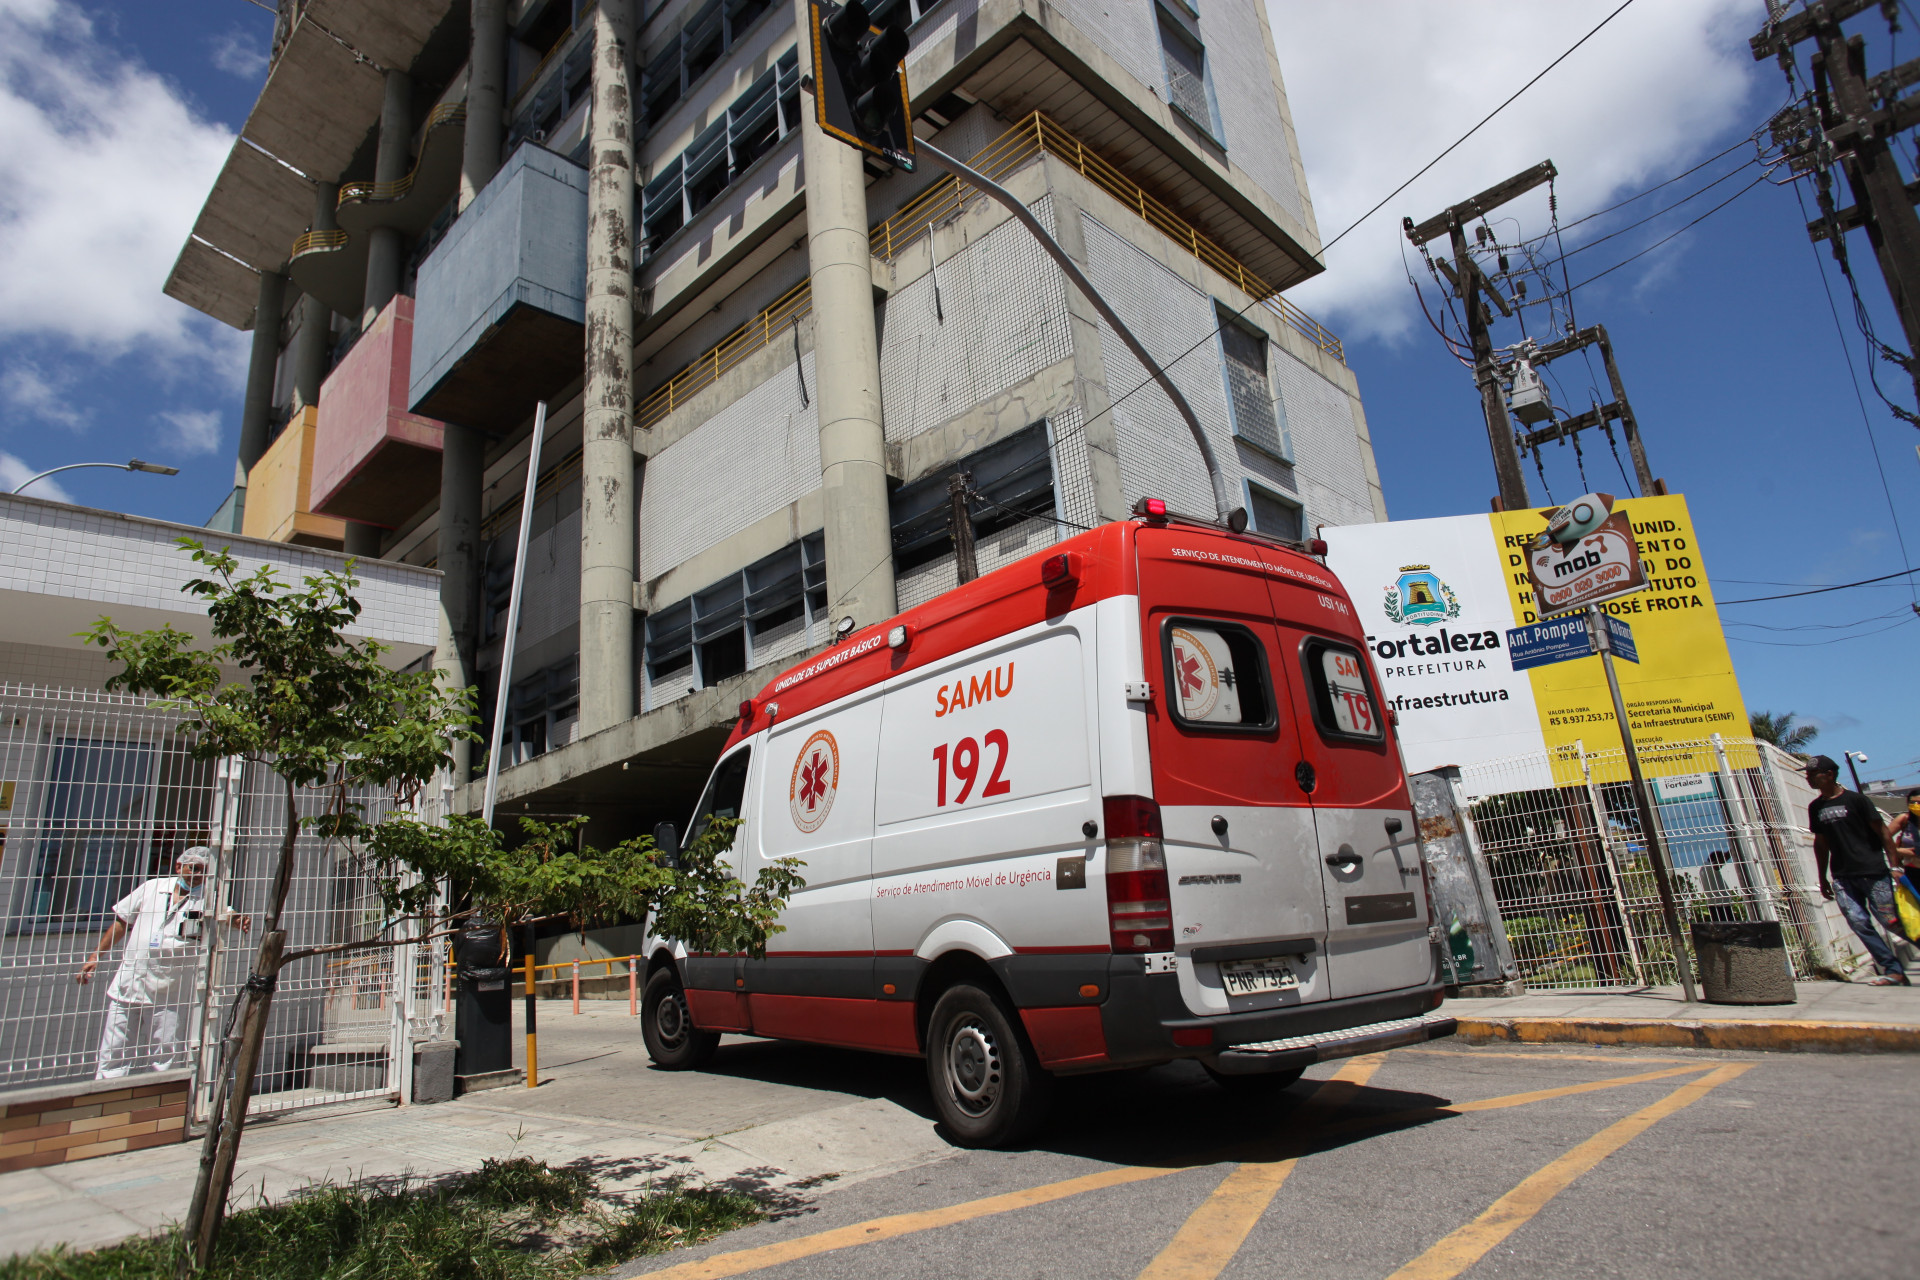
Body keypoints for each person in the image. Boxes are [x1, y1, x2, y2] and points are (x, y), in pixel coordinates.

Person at [75, 848, 250, 1077]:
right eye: (193, 868)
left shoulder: (209, 898)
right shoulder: (153, 887)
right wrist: (95, 957)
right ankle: (106, 1096)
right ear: (179, 867)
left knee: (165, 1053)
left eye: (204, 871)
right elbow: (121, 921)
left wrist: (239, 920)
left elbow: (228, 915)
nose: (197, 875)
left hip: (169, 989)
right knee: (114, 1049)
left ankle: (162, 1104)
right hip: (130, 981)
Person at [1805, 756, 1914, 986]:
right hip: (1843, 876)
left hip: (1873, 873)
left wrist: (1894, 865)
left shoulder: (1857, 800)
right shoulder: (1815, 808)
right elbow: (1821, 843)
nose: (1809, 778)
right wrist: (1822, 876)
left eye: (1814, 774)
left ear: (1830, 774)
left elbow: (1884, 833)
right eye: (1807, 774)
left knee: (1891, 921)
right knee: (1858, 923)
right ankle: (1893, 970)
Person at [1889, 788, 1920, 896]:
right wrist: (1899, 851)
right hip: (1912, 872)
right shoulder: (1904, 819)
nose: (1916, 805)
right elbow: (1883, 839)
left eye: (1919, 802)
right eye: (1912, 802)